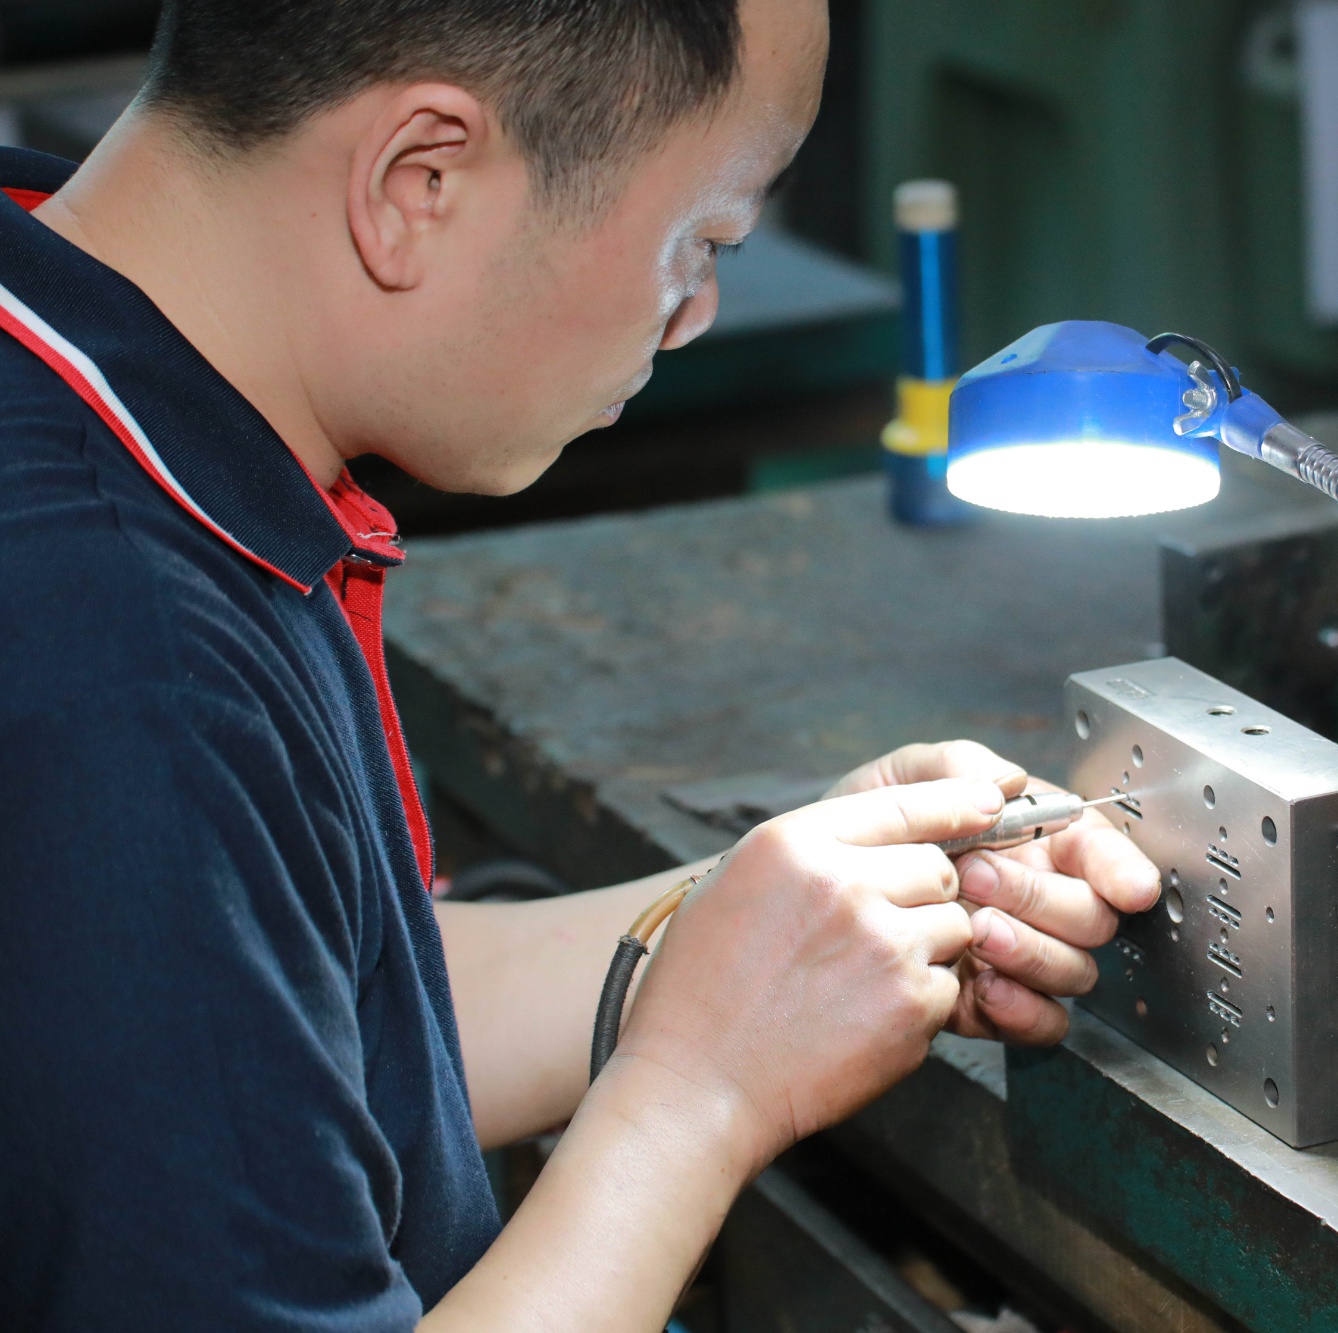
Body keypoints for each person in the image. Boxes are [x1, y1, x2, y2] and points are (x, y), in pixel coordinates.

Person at [0, 1, 1159, 1328]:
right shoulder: (122, 668)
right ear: (421, 182)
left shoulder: (93, 379)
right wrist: (699, 1093)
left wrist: (763, 926)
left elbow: (294, 1019)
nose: (695, 315)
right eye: (703, 239)